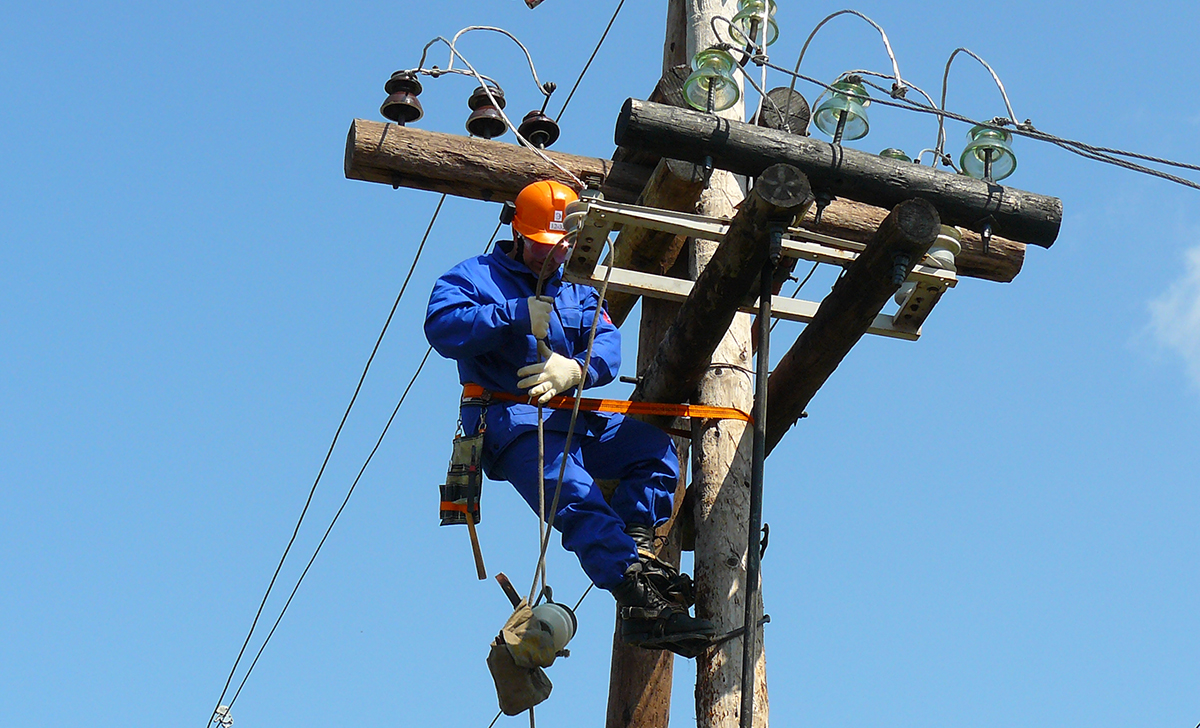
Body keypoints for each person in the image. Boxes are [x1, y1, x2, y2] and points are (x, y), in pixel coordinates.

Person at [424, 179, 714, 654]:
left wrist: (577, 368)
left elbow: (607, 343)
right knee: (575, 497)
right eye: (543, 247)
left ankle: (637, 549)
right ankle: (638, 602)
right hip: (512, 421)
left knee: (655, 452)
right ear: (517, 233)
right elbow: (441, 326)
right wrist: (514, 315)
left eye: (561, 247)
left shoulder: (575, 290)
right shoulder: (475, 276)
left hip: (576, 418)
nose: (554, 257)